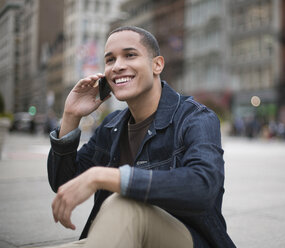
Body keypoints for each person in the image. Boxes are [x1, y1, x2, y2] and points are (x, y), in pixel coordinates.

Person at [46, 26, 235, 248]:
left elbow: (203, 186)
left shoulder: (196, 118)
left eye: (130, 55)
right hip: (125, 237)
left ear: (157, 64)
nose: (117, 66)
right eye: (110, 60)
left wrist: (104, 177)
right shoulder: (111, 125)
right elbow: (64, 183)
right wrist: (71, 115)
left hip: (188, 240)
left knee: (123, 203)